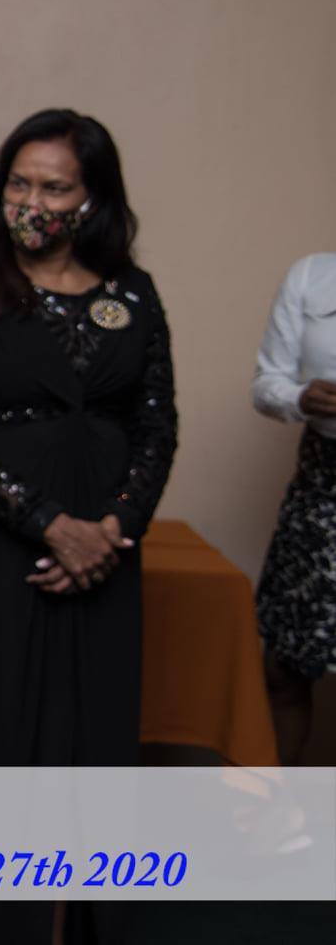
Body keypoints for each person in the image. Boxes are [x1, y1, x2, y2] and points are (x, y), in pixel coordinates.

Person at [0, 107, 176, 944]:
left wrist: (111, 529)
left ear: (93, 199)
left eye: (53, 188)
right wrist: (50, 523)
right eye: (18, 184)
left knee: (91, 754)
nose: (32, 202)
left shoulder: (132, 294)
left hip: (105, 556)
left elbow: (157, 425)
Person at [252, 250, 336, 766]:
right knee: (285, 667)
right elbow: (267, 384)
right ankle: (275, 807)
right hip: (321, 485)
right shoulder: (313, 275)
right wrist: (301, 398)